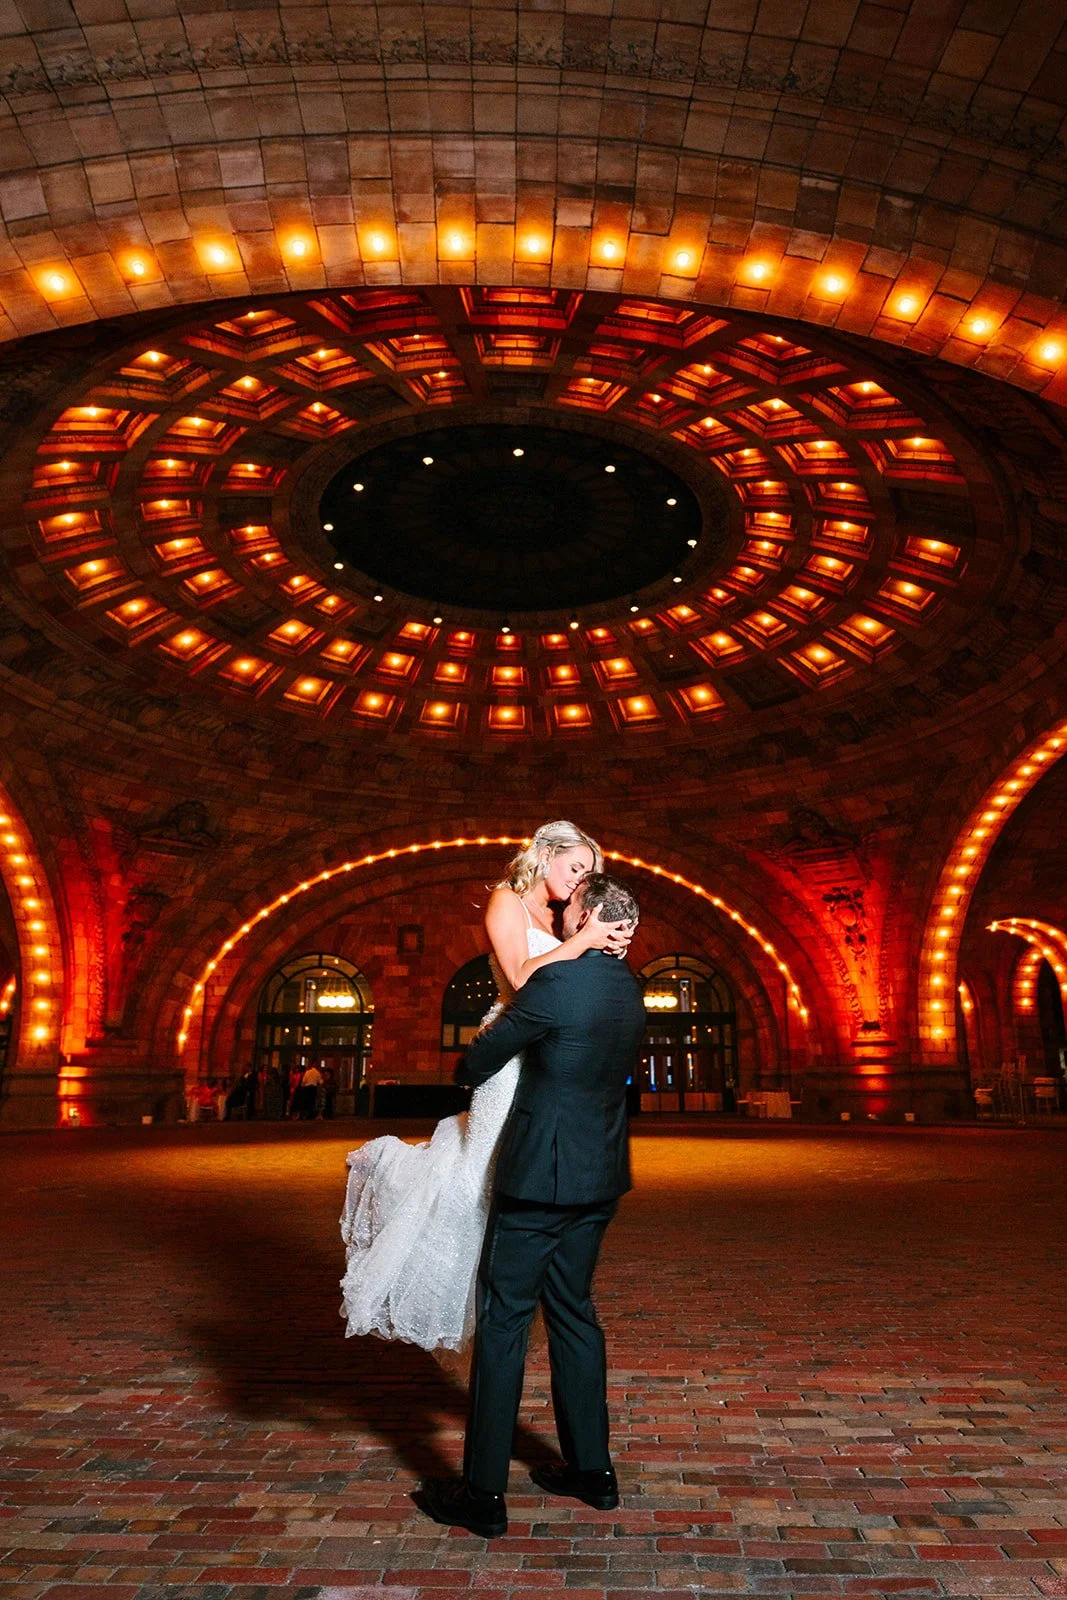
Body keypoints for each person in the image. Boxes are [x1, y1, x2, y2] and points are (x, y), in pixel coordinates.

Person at [339, 821, 632, 1353]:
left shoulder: (567, 916)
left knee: (532, 1166)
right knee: (488, 1170)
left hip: (550, 1051)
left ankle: (523, 1284)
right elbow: (521, 978)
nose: (580, 879)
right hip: (512, 1048)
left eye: (589, 872)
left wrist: (607, 942)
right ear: (544, 854)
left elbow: (579, 979)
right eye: (575, 866)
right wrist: (585, 940)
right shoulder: (507, 901)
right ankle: (488, 1286)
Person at [416, 873, 645, 1539]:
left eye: (571, 907)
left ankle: (483, 1492)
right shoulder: (630, 988)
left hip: (539, 1179)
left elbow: (477, 1062)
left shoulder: (554, 985)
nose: (560, 911)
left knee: (505, 1321)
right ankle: (593, 1472)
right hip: (601, 1175)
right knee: (574, 1313)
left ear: (586, 917)